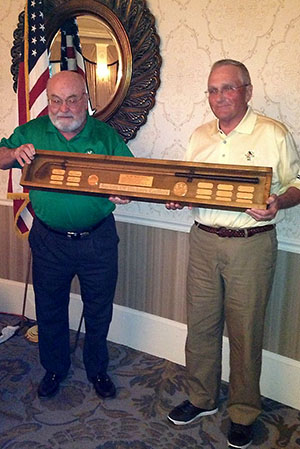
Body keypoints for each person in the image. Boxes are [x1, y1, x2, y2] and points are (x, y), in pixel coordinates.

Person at [166, 59, 300, 448]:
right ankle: (201, 397)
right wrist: (178, 198)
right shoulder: (199, 136)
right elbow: (189, 184)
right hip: (203, 240)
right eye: (212, 89)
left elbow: (297, 181)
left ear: (247, 91)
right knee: (201, 325)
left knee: (244, 331)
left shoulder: (273, 133)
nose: (219, 97)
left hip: (251, 246)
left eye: (228, 88)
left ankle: (243, 411)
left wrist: (279, 202)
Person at [0, 70, 133, 399]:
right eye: (56, 100)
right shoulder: (32, 132)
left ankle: (96, 368)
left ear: (85, 100)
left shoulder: (105, 136)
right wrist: (14, 154)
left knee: (99, 308)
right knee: (49, 308)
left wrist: (124, 192)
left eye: (72, 99)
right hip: (48, 241)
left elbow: (131, 177)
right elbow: (0, 156)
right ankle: (55, 367)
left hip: (98, 239)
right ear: (48, 102)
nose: (64, 108)